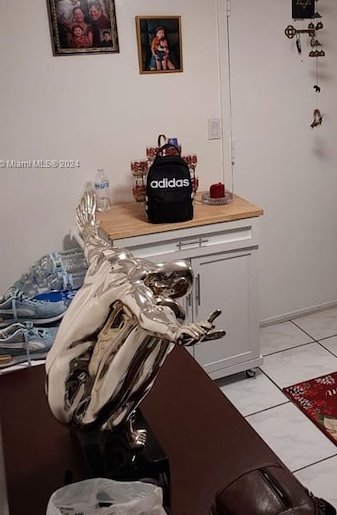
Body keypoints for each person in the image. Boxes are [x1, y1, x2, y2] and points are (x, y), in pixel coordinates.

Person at [45, 191, 223, 447]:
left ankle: (120, 421)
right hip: (77, 404)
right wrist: (177, 331)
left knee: (141, 320)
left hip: (54, 373)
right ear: (168, 285)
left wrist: (88, 224)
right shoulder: (135, 290)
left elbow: (92, 240)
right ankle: (120, 423)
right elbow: (147, 315)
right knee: (168, 315)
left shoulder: (114, 259)